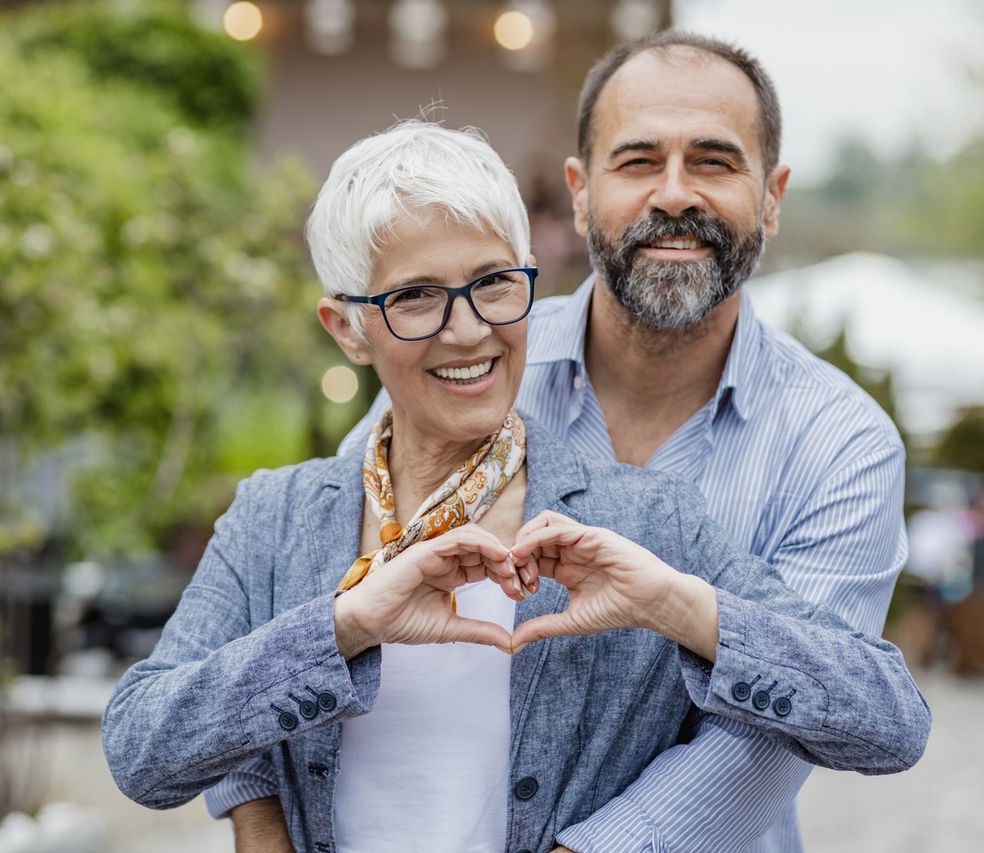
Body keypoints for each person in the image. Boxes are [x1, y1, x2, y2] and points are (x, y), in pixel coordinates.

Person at [102, 121, 929, 853]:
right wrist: (345, 625)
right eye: (415, 297)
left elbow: (891, 719)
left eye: (494, 282)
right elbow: (142, 748)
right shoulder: (278, 517)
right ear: (347, 327)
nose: (468, 329)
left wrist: (677, 606)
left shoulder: (642, 518)